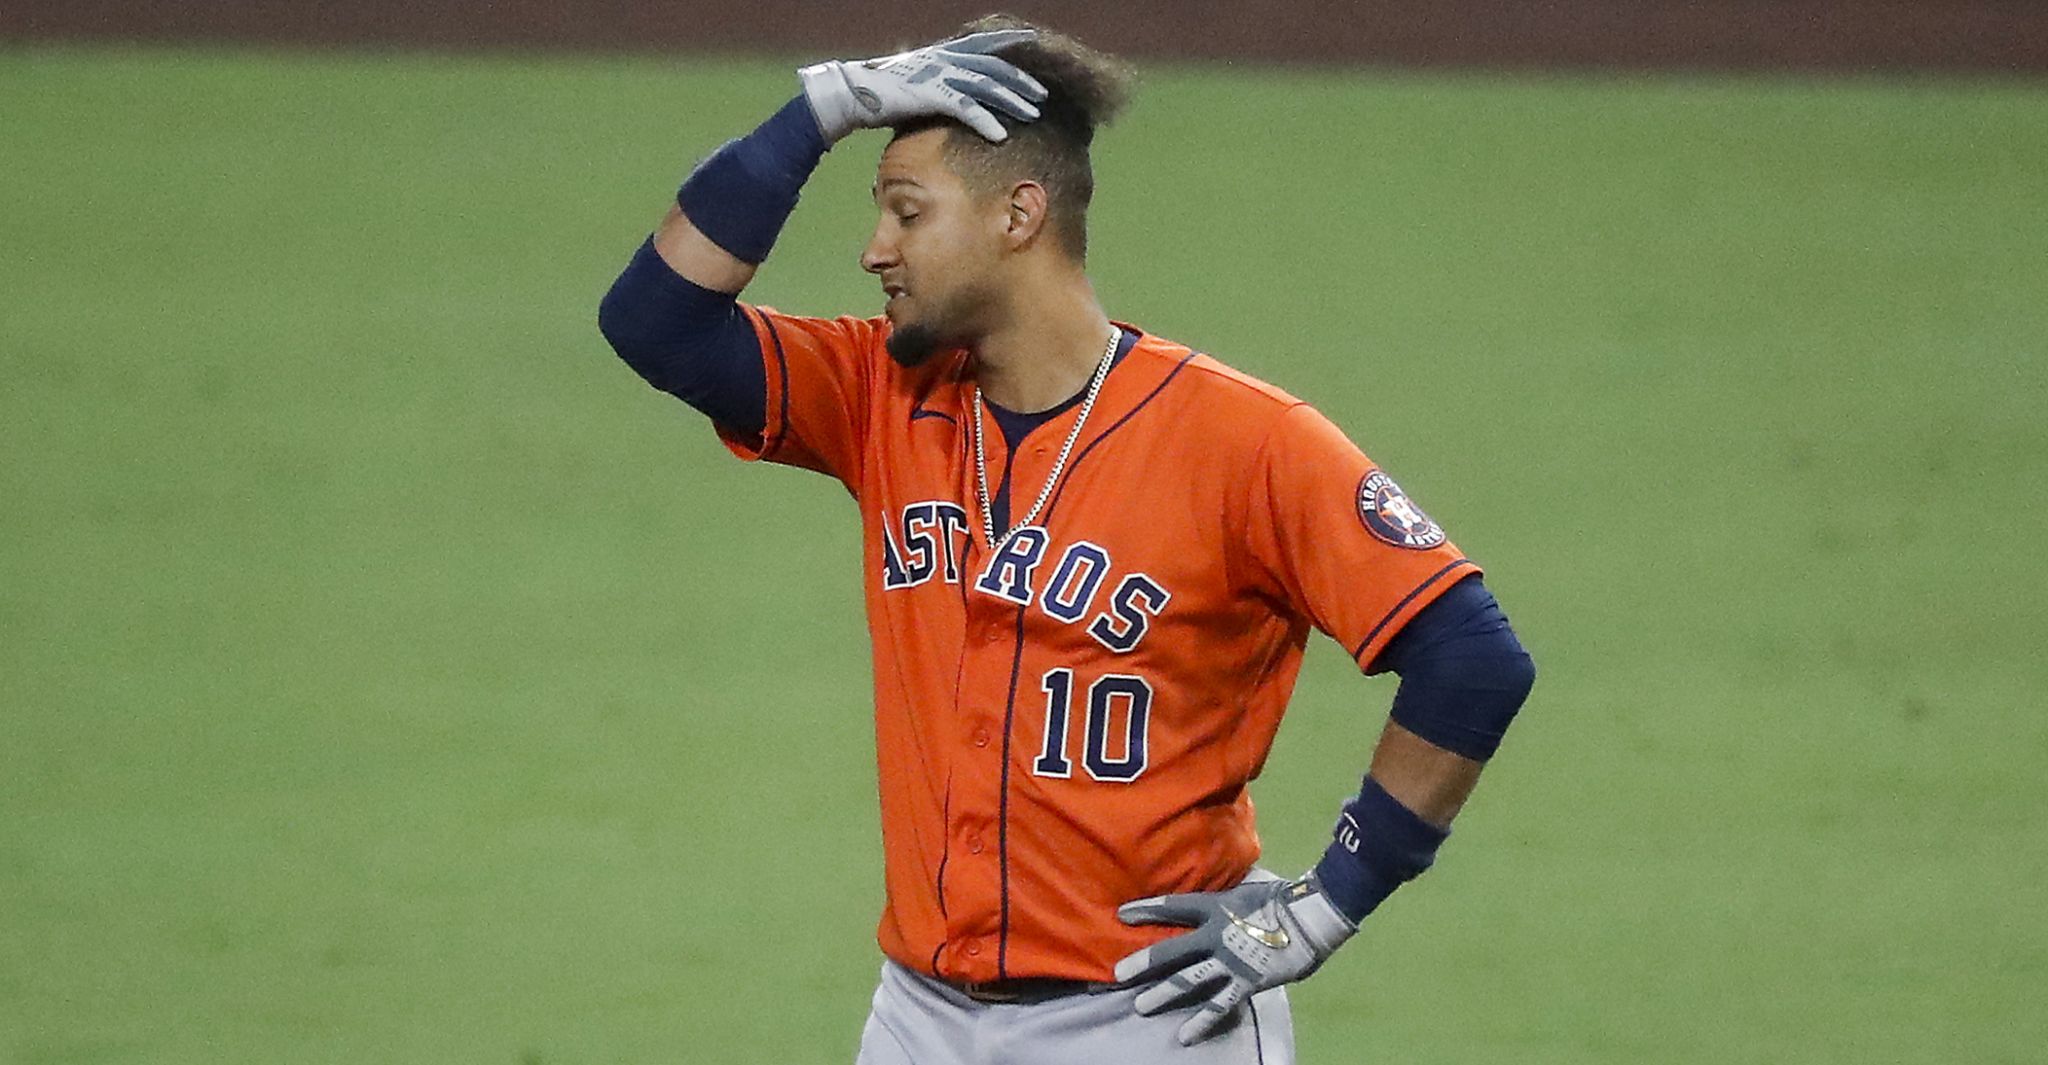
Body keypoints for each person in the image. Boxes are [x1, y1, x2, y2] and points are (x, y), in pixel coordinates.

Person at [597, 15, 1535, 1064]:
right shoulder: (878, 395)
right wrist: (824, 106)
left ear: (1018, 214)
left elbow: (1469, 658)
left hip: (1148, 1018)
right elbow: (654, 321)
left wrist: (1325, 905)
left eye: (906, 213)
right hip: (917, 1017)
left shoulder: (1242, 441)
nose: (873, 250)